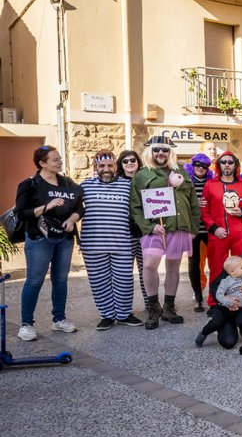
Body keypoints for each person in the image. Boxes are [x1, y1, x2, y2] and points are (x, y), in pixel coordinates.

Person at [130, 137, 200, 330]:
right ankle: (153, 307)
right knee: (150, 265)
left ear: (170, 152)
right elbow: (135, 206)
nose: (160, 153)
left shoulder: (182, 172)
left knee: (173, 267)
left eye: (165, 150)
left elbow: (193, 202)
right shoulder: (142, 175)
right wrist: (149, 226)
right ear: (150, 152)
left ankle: (169, 306)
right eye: (156, 150)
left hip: (179, 227)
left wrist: (193, 228)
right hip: (155, 228)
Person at [14, 146, 83, 341]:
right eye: (54, 160)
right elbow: (21, 213)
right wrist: (46, 207)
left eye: (60, 158)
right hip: (39, 238)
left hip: (64, 238)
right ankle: (26, 324)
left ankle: (59, 319)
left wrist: (72, 220)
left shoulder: (68, 183)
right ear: (42, 163)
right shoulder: (29, 185)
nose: (59, 162)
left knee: (60, 280)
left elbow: (79, 207)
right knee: (35, 280)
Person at [80, 150, 142, 330]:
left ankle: (123, 314)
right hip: (93, 244)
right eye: (101, 166)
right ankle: (107, 315)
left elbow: (143, 206)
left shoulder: (128, 185)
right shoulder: (84, 186)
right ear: (95, 167)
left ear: (116, 167)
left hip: (122, 243)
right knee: (99, 281)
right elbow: (71, 208)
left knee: (124, 281)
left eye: (109, 165)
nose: (106, 169)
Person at [201, 151, 242, 305]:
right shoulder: (210, 185)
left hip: (239, 233)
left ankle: (240, 299)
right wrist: (213, 228)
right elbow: (204, 210)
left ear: (235, 165)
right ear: (219, 165)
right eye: (223, 162)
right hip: (218, 234)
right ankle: (214, 301)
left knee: (240, 267)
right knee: (217, 268)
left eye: (230, 162)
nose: (227, 165)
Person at [117, 150, 147, 304]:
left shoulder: (146, 179)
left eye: (132, 160)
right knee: (124, 272)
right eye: (125, 161)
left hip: (145, 231)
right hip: (125, 232)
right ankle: (124, 308)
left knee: (146, 270)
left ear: (138, 161)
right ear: (121, 164)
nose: (129, 163)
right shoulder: (116, 183)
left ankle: (151, 304)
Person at [185, 153, 213, 311]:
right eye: (197, 164)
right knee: (194, 264)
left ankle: (215, 294)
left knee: (215, 262)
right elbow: (179, 201)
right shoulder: (186, 181)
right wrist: (195, 202)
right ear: (192, 165)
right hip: (193, 229)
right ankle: (198, 297)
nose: (200, 168)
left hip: (209, 228)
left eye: (204, 166)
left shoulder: (212, 182)